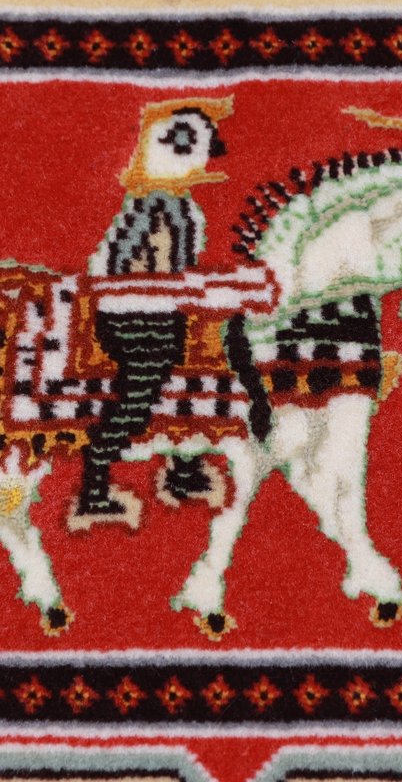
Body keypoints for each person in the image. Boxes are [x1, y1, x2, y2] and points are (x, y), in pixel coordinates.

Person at [70, 97, 234, 528]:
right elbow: (137, 264)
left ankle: (183, 466)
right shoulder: (153, 206)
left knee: (192, 374)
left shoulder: (178, 206)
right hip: (135, 317)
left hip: (163, 309)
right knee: (142, 394)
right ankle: (94, 485)